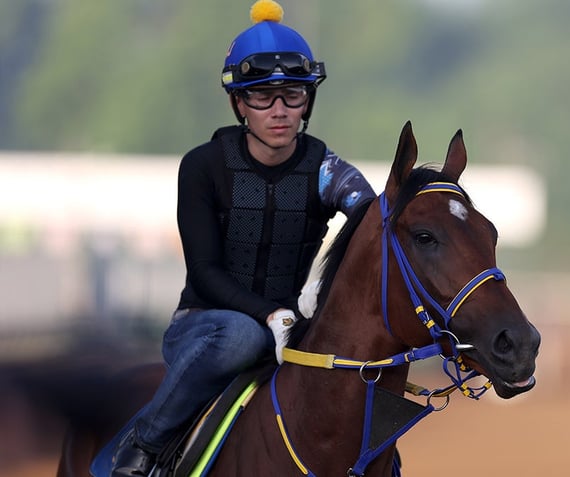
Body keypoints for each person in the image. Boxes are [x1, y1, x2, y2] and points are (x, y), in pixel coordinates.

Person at [110, 1, 376, 475]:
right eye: (262, 97)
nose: (279, 111)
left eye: (293, 95)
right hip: (205, 328)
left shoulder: (327, 170)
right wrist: (269, 314)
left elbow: (375, 223)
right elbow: (205, 274)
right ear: (238, 103)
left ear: (308, 101)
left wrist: (321, 292)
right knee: (242, 334)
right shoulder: (202, 167)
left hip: (291, 329)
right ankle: (143, 446)